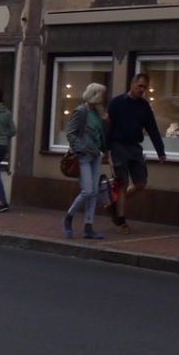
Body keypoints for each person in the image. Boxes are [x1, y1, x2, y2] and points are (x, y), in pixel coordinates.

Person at [105, 73, 167, 230]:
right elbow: (108, 128)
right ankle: (121, 220)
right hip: (118, 146)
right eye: (139, 86)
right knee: (123, 182)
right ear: (132, 84)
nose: (142, 90)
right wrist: (105, 150)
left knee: (140, 183)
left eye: (144, 87)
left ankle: (115, 204)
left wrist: (160, 151)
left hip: (134, 147)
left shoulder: (144, 106)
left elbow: (152, 129)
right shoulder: (117, 103)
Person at [62, 82, 109, 241]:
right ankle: (68, 217)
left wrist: (104, 150)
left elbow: (100, 134)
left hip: (96, 155)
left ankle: (88, 227)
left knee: (94, 192)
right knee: (87, 191)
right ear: (95, 95)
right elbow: (70, 132)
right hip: (84, 156)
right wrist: (80, 148)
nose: (103, 98)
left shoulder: (97, 112)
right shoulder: (81, 111)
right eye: (101, 95)